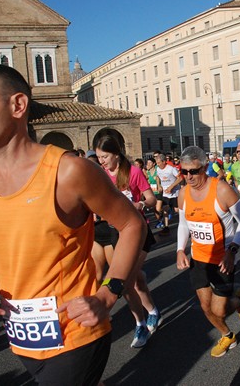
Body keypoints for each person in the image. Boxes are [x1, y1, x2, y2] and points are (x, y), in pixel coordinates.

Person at [0, 64, 146, 384]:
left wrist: (108, 293)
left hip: (75, 334)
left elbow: (132, 225)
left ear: (18, 105)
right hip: (21, 337)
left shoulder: (68, 172)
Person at [175, 146, 240, 357]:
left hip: (222, 258)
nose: (189, 176)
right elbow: (184, 224)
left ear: (206, 168)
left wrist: (232, 251)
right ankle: (227, 336)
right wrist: (180, 250)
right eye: (184, 172)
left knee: (219, 310)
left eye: (194, 171)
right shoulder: (183, 193)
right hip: (199, 257)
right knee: (205, 306)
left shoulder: (222, 190)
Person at [95, 135, 161, 347]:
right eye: (98, 157)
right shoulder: (100, 175)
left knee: (127, 282)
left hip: (138, 232)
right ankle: (152, 311)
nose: (101, 161)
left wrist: (140, 204)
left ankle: (140, 324)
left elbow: (151, 198)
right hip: (116, 233)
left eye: (104, 156)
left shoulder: (133, 172)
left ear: (116, 154)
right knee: (137, 280)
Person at [155, 154, 183, 236]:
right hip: (165, 192)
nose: (158, 164)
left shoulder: (171, 169)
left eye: (159, 163)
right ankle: (166, 227)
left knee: (177, 210)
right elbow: (157, 177)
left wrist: (171, 187)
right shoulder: (158, 169)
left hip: (174, 192)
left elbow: (180, 178)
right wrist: (159, 185)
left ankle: (186, 225)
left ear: (164, 162)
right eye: (157, 163)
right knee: (164, 209)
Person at [146, 158, 164, 228]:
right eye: (147, 163)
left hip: (158, 192)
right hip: (152, 193)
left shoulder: (158, 171)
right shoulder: (147, 172)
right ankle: (160, 220)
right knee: (155, 210)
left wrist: (159, 186)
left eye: (150, 163)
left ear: (154, 164)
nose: (148, 164)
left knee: (158, 209)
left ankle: (164, 212)